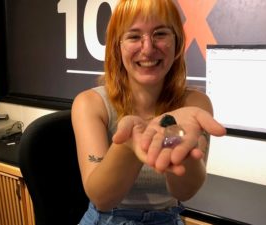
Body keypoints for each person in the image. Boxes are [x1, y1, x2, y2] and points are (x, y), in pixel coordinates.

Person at [71, 0, 226, 224]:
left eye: (160, 34)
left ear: (177, 42)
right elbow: (102, 198)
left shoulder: (195, 105)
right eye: (134, 36)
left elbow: (185, 192)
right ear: (118, 46)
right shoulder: (89, 103)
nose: (148, 48)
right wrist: (129, 145)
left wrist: (177, 142)